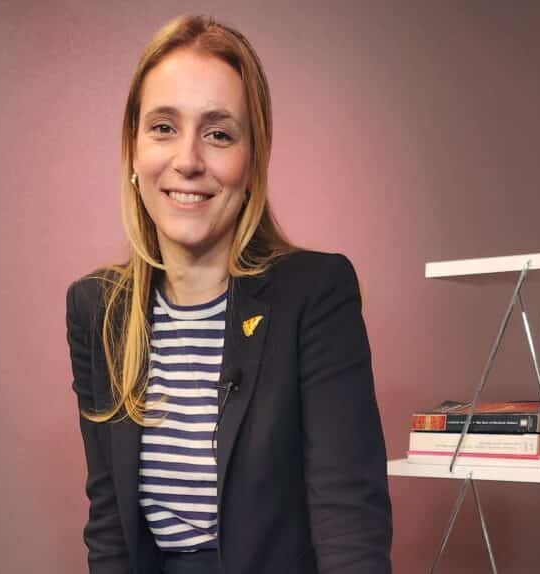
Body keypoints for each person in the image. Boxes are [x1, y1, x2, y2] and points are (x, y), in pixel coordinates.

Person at [65, 14, 391, 574]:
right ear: (133, 150)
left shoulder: (316, 294)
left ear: (252, 160)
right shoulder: (96, 309)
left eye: (218, 134)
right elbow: (110, 527)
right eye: (163, 127)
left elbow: (349, 523)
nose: (188, 161)